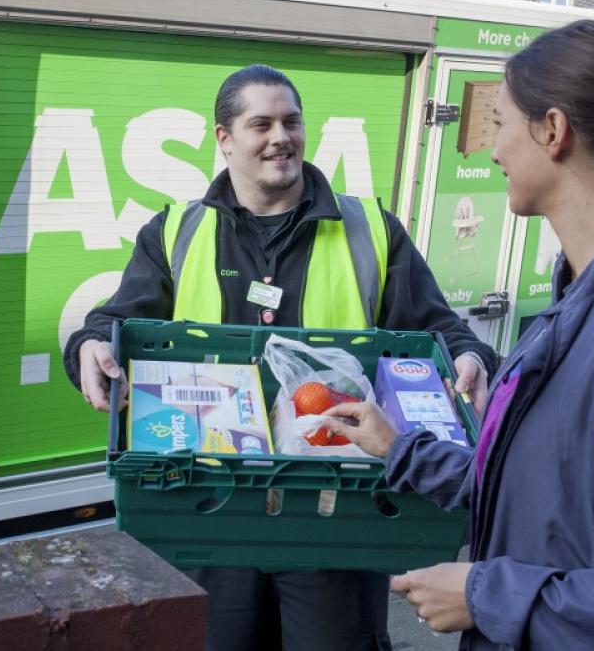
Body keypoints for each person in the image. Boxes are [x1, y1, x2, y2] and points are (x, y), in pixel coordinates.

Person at [63, 64, 498, 651]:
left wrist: (470, 355)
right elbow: (113, 326)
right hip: (212, 506)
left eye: (291, 122)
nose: (280, 137)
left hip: (335, 512)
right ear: (224, 138)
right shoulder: (176, 232)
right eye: (260, 123)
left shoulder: (370, 228)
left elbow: (438, 328)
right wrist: (87, 346)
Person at [323, 20, 594, 650]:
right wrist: (400, 448)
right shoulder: (576, 305)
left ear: (553, 131)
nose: (491, 150)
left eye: (500, 124)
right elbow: (540, 500)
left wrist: (482, 594)